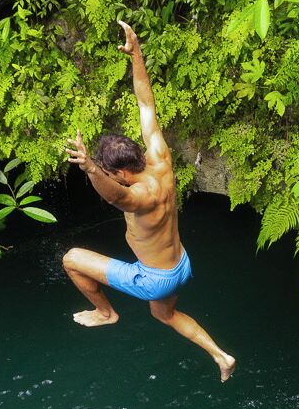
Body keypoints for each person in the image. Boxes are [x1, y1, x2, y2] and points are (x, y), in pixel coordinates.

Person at [62, 20, 237, 381]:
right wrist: (136, 54)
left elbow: (117, 197)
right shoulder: (158, 155)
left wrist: (90, 168)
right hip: (180, 265)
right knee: (164, 315)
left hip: (155, 278)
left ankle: (106, 313)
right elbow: (146, 102)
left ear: (121, 172)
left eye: (112, 174)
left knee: (72, 259)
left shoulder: (139, 195)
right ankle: (222, 356)